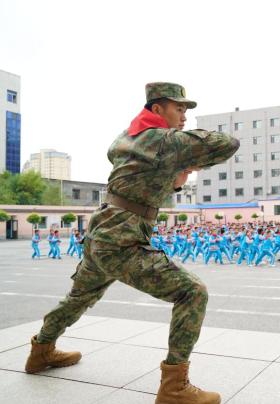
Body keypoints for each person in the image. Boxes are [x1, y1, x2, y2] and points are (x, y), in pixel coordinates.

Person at [25, 82, 239, 404]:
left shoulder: (127, 138)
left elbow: (137, 171)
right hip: (122, 240)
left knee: (78, 298)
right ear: (157, 109)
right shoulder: (161, 139)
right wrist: (186, 156)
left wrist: (176, 169)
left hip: (101, 236)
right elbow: (227, 144)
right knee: (192, 292)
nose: (184, 116)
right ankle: (175, 387)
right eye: (179, 108)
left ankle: (41, 351)